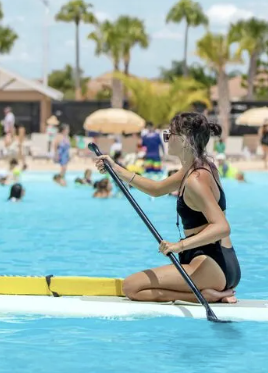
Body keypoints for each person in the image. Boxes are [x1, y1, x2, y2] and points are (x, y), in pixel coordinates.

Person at [94, 111, 240, 304]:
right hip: (220, 262)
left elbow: (222, 226)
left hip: (212, 263)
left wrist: (178, 246)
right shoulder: (200, 166)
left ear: (185, 139)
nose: (166, 139)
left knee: (131, 287)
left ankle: (203, 296)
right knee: (135, 286)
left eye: (169, 135)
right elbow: (157, 189)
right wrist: (116, 170)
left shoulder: (196, 179)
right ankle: (203, 293)